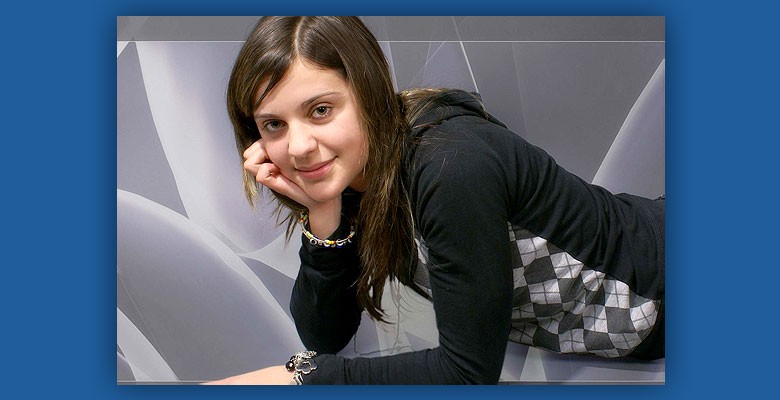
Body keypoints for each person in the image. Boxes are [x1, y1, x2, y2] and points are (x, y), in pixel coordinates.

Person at [207, 16, 665, 385]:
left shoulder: (449, 168)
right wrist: (324, 213)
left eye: (320, 110)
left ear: (367, 92)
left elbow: (466, 374)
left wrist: (302, 379)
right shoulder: (356, 178)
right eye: (274, 125)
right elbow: (325, 335)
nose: (299, 147)